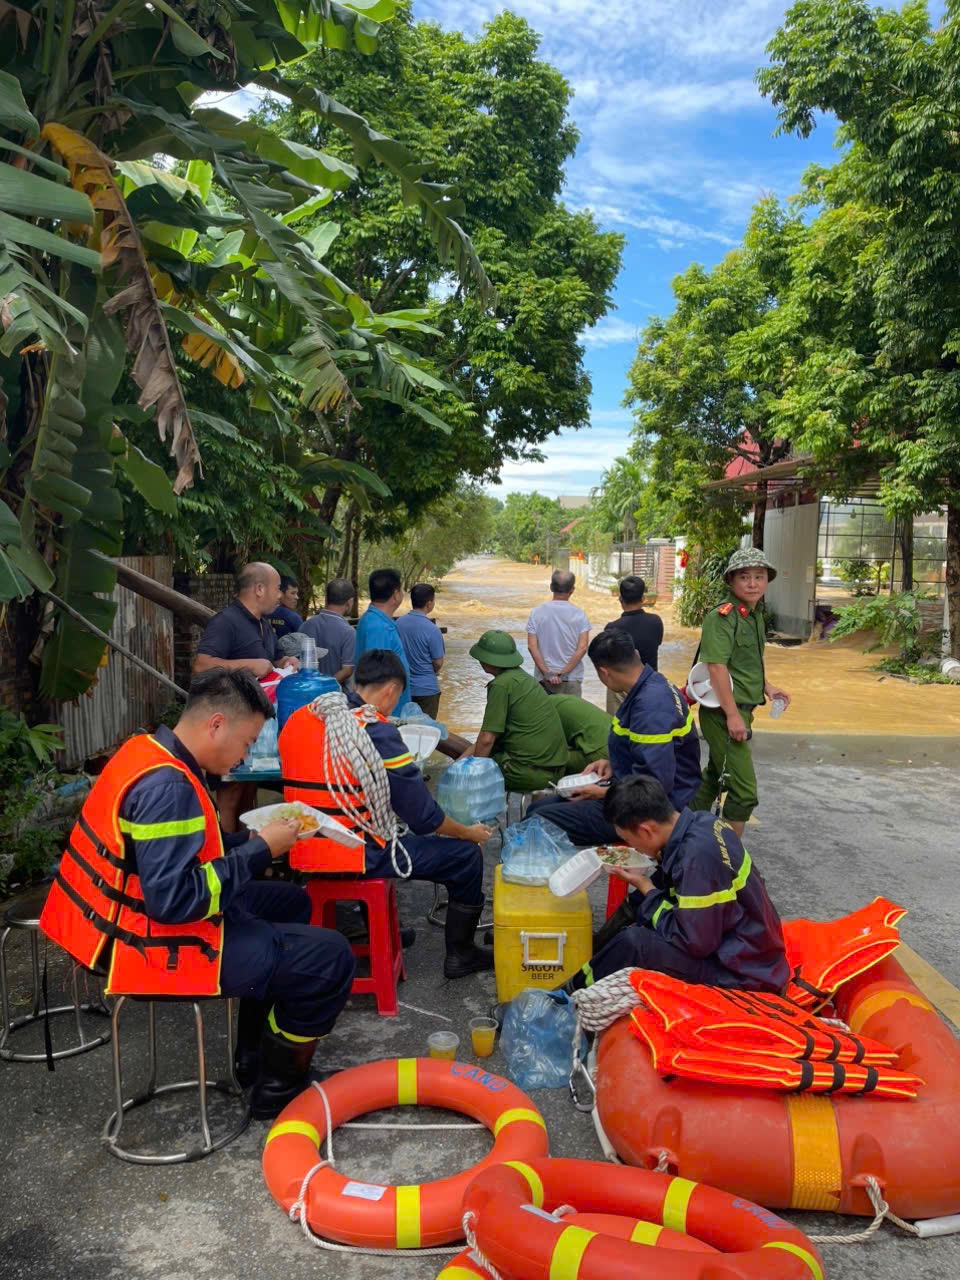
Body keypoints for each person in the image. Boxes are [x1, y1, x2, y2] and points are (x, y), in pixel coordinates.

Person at [39, 668, 356, 1120]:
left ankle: (253, 1059)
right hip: (145, 944)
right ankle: (279, 1089)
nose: (245, 759)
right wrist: (260, 850)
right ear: (216, 725)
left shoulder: (148, 751)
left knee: (292, 902)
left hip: (123, 922)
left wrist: (252, 845)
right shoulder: (168, 787)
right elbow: (175, 902)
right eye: (247, 743)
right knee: (330, 957)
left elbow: (177, 857)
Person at [279, 650, 494, 978]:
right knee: (465, 857)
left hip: (300, 848)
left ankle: (377, 927)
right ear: (391, 691)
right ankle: (461, 954)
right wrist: (468, 833)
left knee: (383, 830)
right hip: (354, 855)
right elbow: (424, 818)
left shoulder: (301, 718)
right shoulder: (375, 731)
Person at [559, 775, 789, 994]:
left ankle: (568, 997)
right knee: (639, 902)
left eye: (629, 840)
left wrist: (646, 888)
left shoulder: (696, 860)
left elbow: (694, 942)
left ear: (646, 830)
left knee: (636, 942)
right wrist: (646, 887)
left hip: (742, 973)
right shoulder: (702, 822)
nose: (632, 847)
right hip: (741, 947)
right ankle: (592, 958)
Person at [525, 628, 701, 847]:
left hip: (652, 808)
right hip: (632, 787)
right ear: (636, 654)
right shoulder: (649, 684)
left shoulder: (650, 706)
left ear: (604, 673)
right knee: (538, 808)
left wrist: (600, 792)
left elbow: (655, 785)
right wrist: (613, 764)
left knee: (538, 820)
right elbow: (648, 755)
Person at [691, 548, 790, 837]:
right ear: (731, 581)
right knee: (744, 792)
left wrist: (768, 688)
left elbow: (747, 662)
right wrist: (733, 716)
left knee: (714, 777)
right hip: (723, 714)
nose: (752, 583)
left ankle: (680, 832)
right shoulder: (723, 617)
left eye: (759, 577)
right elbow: (717, 668)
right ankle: (728, 856)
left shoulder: (755, 615)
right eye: (744, 577)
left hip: (742, 710)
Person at [193, 562, 299, 830]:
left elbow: (270, 660)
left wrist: (285, 661)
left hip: (254, 728)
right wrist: (249, 665)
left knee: (248, 793)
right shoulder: (226, 621)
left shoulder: (264, 624)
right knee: (229, 796)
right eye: (277, 589)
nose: (279, 595)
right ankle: (225, 857)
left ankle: (245, 853)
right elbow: (201, 665)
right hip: (226, 723)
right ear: (259, 589)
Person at [463, 630, 570, 792]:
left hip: (526, 774)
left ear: (486, 660)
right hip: (557, 770)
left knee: (470, 769)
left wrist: (470, 776)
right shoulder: (525, 678)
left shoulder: (501, 685)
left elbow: (487, 739)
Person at [603, 575, 664, 714]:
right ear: (643, 598)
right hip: (649, 683)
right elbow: (657, 644)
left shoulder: (611, 629)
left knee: (618, 728)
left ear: (620, 599)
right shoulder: (655, 622)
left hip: (621, 686)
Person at [525, 569, 591, 697]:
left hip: (543, 680)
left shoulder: (536, 613)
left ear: (551, 587)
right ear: (572, 589)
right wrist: (564, 674)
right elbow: (582, 648)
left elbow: (532, 647)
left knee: (545, 716)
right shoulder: (580, 615)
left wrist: (547, 673)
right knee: (572, 716)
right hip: (571, 679)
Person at [354, 568, 411, 694]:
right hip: (387, 710)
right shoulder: (379, 627)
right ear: (396, 595)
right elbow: (377, 680)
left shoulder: (374, 619)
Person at [396, 583, 445, 719]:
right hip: (427, 690)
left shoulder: (398, 623)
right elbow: (438, 662)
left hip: (403, 688)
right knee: (426, 734)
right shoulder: (432, 629)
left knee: (403, 730)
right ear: (429, 603)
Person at [300, 577, 357, 685]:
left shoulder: (306, 625)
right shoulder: (349, 632)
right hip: (333, 696)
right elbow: (347, 670)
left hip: (306, 690)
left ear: (327, 598)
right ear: (349, 602)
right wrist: (324, 686)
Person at [550, 693, 611, 772]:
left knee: (546, 760)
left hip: (601, 755)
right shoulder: (564, 698)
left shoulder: (543, 709)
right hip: (620, 746)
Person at [265, 574, 303, 641]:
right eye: (293, 593)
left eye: (297, 594)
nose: (297, 597)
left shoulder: (262, 612)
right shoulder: (293, 617)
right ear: (280, 593)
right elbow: (303, 641)